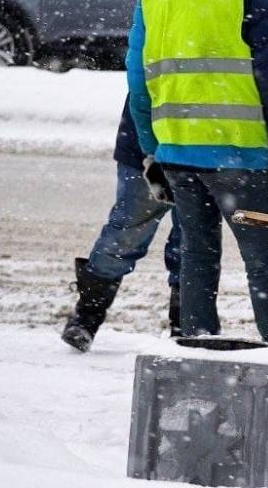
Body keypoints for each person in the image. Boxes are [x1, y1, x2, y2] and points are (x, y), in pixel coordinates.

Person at [126, 0, 268, 345]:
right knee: (265, 266)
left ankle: (199, 358)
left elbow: (138, 78)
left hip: (179, 155)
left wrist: (150, 152)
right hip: (239, 155)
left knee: (196, 262)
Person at [61, 98, 183, 352]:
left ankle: (187, 327)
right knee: (127, 233)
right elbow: (139, 79)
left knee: (192, 243)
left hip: (204, 147)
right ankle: (87, 315)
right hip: (151, 142)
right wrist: (150, 149)